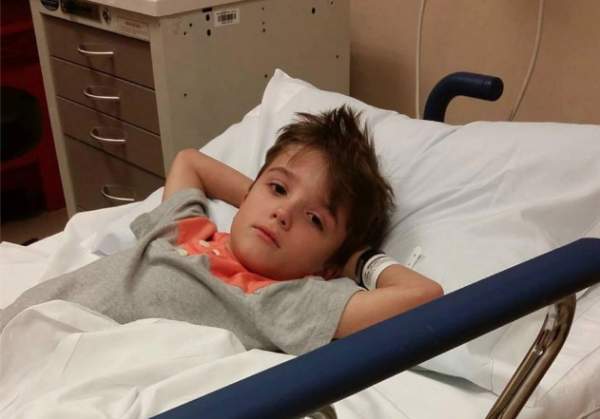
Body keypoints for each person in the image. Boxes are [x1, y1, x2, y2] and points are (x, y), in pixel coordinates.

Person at [0, 106, 442, 355]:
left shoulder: (288, 300)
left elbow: (424, 295)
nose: (283, 213)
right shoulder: (186, 230)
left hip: (62, 352)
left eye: (315, 219)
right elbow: (190, 161)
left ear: (326, 264)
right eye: (278, 188)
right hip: (21, 321)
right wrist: (257, 198)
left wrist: (353, 259)